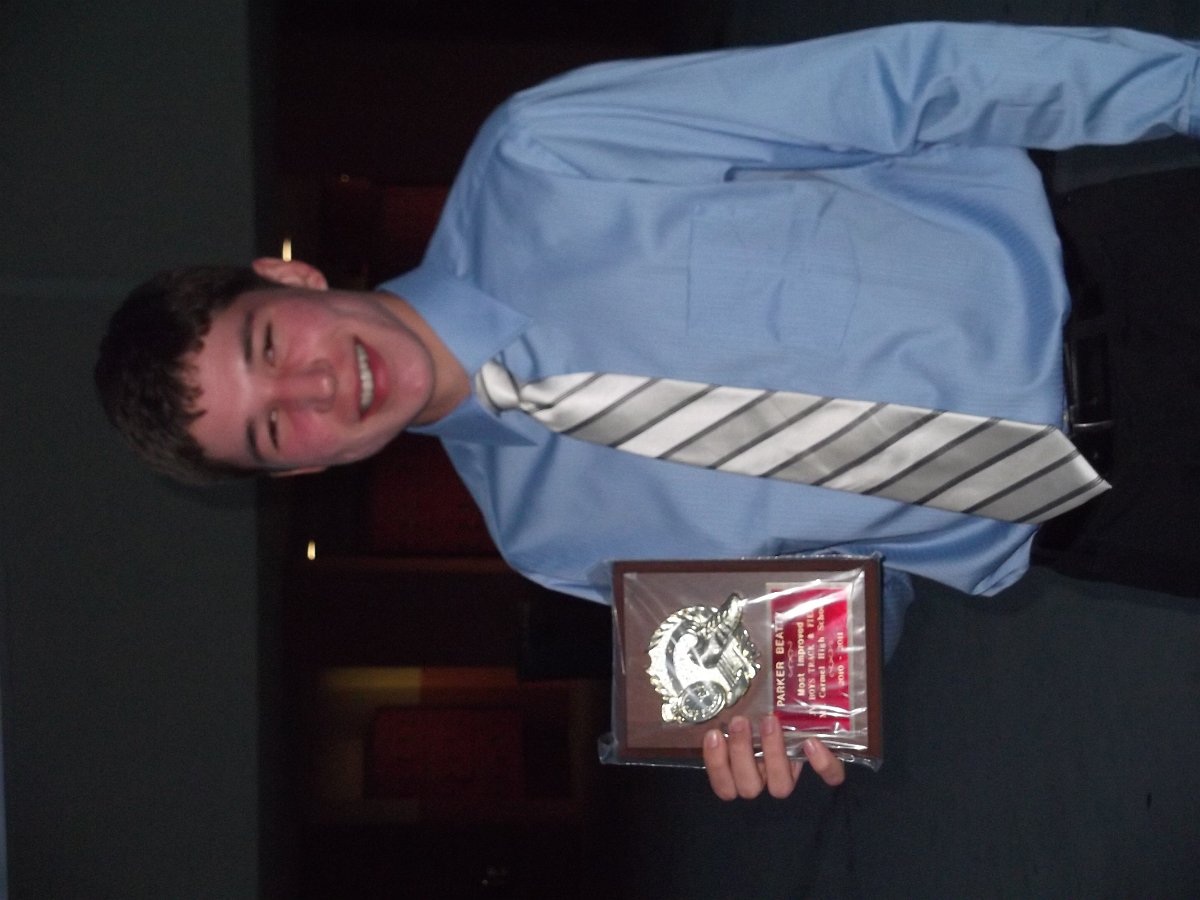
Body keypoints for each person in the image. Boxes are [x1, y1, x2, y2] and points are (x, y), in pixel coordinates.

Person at [95, 22, 1200, 802]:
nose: (316, 388)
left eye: (270, 346)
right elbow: (868, 585)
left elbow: (906, 83)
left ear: (287, 281)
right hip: (1117, 520)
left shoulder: (542, 155)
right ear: (296, 471)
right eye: (273, 428)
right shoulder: (548, 540)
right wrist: (793, 702)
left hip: (1140, 278)